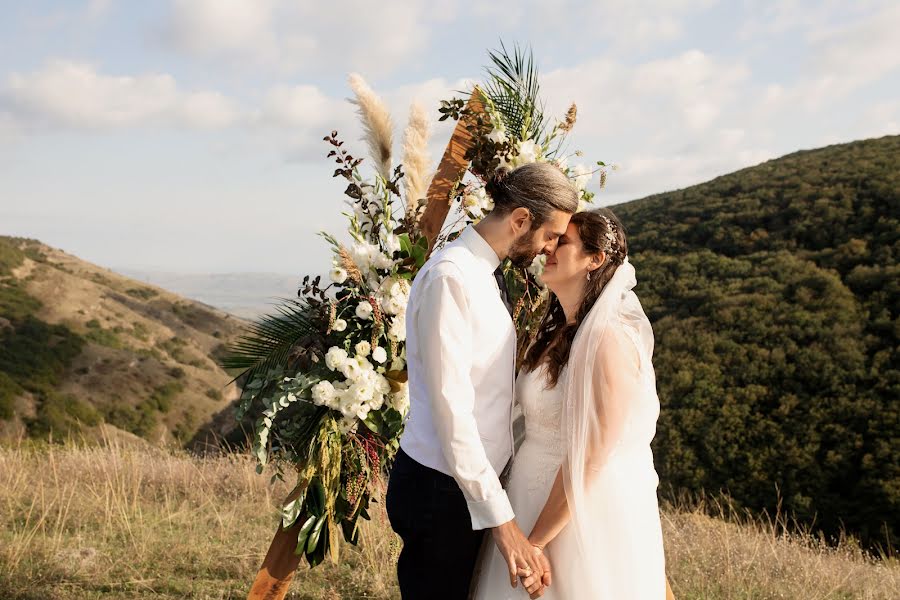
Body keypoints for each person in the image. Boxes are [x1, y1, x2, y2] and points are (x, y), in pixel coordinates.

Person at [386, 161, 579, 599]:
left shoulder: (483, 275)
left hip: (463, 489)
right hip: (442, 491)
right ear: (520, 220)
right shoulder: (450, 278)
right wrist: (502, 522)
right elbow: (451, 411)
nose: (549, 248)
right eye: (550, 235)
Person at [474, 208, 668, 599]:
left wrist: (535, 543)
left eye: (563, 242)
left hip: (578, 518)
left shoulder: (608, 340)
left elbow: (592, 454)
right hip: (529, 497)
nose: (549, 249)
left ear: (595, 260)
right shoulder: (558, 333)